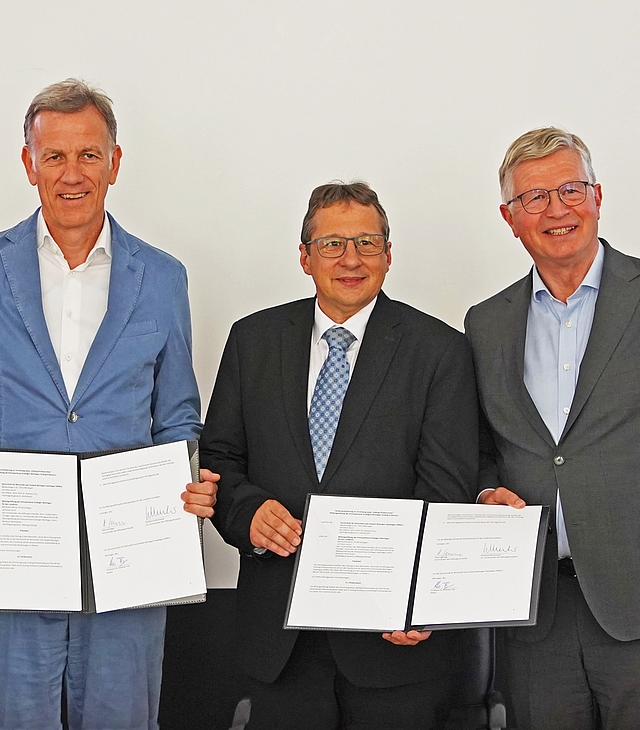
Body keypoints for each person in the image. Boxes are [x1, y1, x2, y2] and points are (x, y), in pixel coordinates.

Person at [0, 78, 218, 730]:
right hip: (10, 553)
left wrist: (188, 479)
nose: (72, 173)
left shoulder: (163, 276)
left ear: (115, 162)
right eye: (54, 156)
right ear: (28, 163)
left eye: (88, 154)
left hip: (130, 562)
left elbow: (177, 417)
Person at [467, 127, 640, 729]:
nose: (557, 210)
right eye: (535, 199)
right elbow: (485, 450)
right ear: (509, 217)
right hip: (535, 615)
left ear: (598, 196)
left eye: (570, 189)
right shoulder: (486, 323)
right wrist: (487, 489)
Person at [201, 181, 477, 729]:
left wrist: (419, 597)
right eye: (331, 244)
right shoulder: (253, 340)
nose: (351, 259)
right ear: (304, 258)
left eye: (367, 243)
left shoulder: (440, 351)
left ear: (388, 255)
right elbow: (221, 460)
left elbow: (447, 490)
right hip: (279, 643)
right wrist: (247, 511)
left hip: (393, 645)